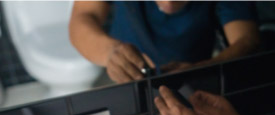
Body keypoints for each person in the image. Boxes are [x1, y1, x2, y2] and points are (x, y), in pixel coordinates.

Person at [69, 1, 259, 83]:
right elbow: (83, 17)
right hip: (124, 71)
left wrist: (204, 69)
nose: (168, 2)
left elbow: (247, 40)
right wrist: (111, 53)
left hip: (195, 78)